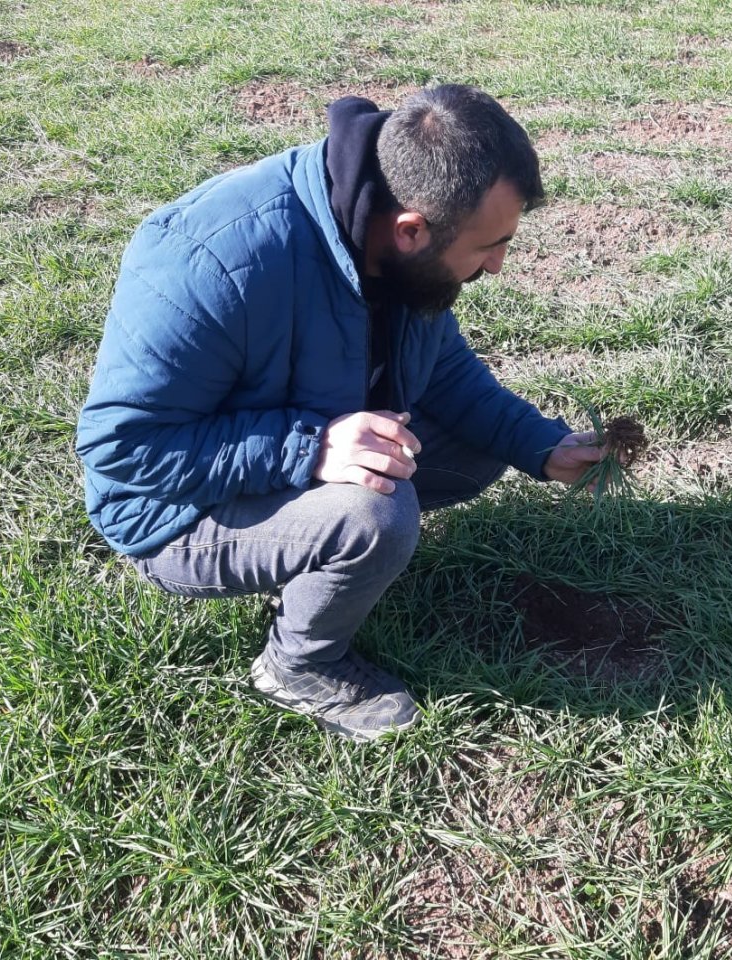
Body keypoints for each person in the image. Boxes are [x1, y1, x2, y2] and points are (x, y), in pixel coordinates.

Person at [76, 84, 604, 741]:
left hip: (299, 441)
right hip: (174, 509)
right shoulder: (210, 260)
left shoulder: (401, 234)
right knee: (376, 513)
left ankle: (314, 553)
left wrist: (541, 445)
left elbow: (443, 372)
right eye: (488, 246)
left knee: (478, 449)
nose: (496, 265)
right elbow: (123, 451)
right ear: (412, 230)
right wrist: (313, 449)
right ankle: (298, 665)